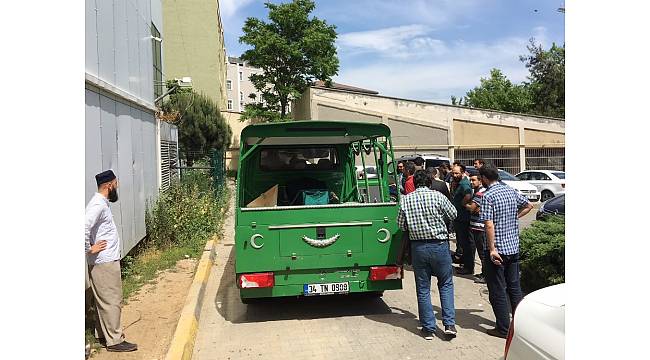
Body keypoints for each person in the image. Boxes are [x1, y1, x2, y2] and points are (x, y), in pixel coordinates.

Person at [397, 170, 458, 339]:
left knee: (423, 288)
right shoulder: (438, 196)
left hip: (419, 248)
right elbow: (454, 214)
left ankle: (428, 328)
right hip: (439, 245)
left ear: (414, 183)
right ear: (430, 182)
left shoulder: (406, 200)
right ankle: (449, 324)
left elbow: (401, 225)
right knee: (445, 284)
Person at [478, 164, 534, 338]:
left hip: (498, 250)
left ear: (485, 179)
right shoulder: (510, 190)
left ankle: (503, 328)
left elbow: (488, 224)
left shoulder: (487, 196)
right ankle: (520, 325)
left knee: (497, 290)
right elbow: (529, 205)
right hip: (513, 247)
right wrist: (513, 217)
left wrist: (492, 249)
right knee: (514, 288)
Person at [85, 170, 138, 352]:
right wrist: (89, 248)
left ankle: (103, 336)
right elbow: (83, 226)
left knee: (103, 301)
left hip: (103, 261)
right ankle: (115, 340)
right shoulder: (98, 205)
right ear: (109, 185)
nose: (117, 186)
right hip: (104, 262)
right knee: (112, 300)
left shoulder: (101, 203)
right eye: (116, 183)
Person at [450, 164, 474, 274]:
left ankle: (469, 267)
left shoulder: (464, 183)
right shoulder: (458, 182)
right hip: (459, 217)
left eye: (456, 173)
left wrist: (463, 203)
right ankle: (464, 262)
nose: (454, 175)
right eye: (453, 173)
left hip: (464, 218)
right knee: (462, 242)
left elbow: (468, 196)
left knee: (466, 243)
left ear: (462, 173)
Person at [465, 169, 487, 284]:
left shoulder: (480, 193)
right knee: (481, 252)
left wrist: (467, 205)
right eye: (470, 180)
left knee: (483, 252)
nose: (471, 182)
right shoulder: (477, 192)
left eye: (473, 180)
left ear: (480, 181)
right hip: (476, 226)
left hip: (480, 227)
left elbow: (474, 208)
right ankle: (484, 273)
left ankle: (486, 275)